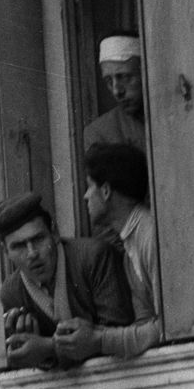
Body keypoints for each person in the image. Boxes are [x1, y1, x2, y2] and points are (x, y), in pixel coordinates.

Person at [0, 192, 133, 372]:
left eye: (38, 239)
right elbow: (33, 360)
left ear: (54, 233)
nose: (32, 253)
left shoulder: (94, 258)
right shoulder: (12, 292)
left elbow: (117, 335)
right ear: (5, 251)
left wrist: (49, 347)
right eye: (18, 246)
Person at [48, 141, 163, 362]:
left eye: (89, 186)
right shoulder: (131, 242)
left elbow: (167, 327)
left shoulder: (149, 236)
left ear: (106, 190)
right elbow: (144, 323)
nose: (85, 196)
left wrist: (99, 340)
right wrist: (93, 336)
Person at [83, 35, 147, 152]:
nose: (117, 91)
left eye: (124, 77)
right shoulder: (100, 133)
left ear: (144, 72)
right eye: (109, 81)